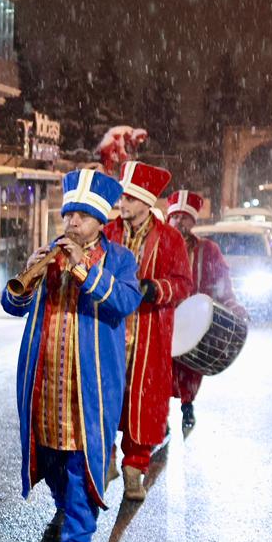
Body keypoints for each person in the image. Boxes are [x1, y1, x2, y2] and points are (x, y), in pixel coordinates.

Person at [2, 169, 143, 542]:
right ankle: (65, 512)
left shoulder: (120, 259)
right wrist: (25, 280)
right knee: (50, 457)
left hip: (89, 385)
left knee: (82, 458)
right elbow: (15, 307)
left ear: (101, 221)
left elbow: (125, 301)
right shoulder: (49, 253)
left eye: (81, 216)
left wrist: (83, 269)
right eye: (68, 215)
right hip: (45, 382)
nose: (72, 223)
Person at [104, 160, 193, 502]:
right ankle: (107, 459)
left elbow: (184, 284)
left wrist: (155, 289)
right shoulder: (108, 232)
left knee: (143, 402)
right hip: (110, 330)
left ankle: (134, 470)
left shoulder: (169, 238)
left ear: (144, 202)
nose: (121, 204)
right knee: (105, 395)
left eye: (128, 199)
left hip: (149, 333)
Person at [166, 190, 244, 430]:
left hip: (193, 321)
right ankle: (161, 416)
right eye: (175, 216)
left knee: (190, 368)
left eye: (185, 217)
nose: (179, 221)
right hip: (164, 317)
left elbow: (221, 282)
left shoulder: (208, 250)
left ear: (193, 221)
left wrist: (231, 304)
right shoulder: (158, 245)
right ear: (168, 218)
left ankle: (187, 406)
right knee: (161, 371)